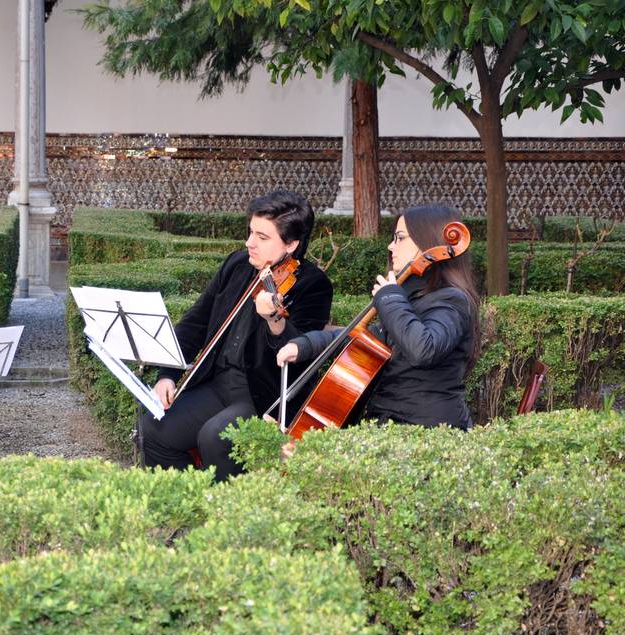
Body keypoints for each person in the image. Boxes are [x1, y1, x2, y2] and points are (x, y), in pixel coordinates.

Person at [138, 190, 333, 482]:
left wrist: (275, 321)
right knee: (154, 429)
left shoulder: (312, 285)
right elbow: (196, 320)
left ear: (291, 244)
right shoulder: (237, 264)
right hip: (217, 383)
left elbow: (299, 354)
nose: (249, 243)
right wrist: (166, 373)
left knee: (215, 436)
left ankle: (225, 516)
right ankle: (187, 506)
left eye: (262, 237)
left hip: (261, 395)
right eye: (250, 232)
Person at [276, 203, 480, 433]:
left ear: (427, 241)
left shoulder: (452, 300)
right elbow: (362, 337)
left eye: (400, 238)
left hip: (429, 431)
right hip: (389, 424)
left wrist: (391, 298)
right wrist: (305, 345)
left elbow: (424, 348)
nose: (391, 246)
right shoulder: (409, 297)